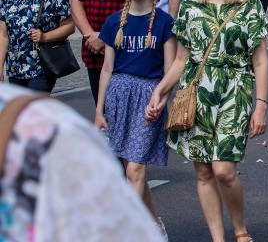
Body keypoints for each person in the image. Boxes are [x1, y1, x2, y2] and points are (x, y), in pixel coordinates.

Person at [146, 0, 268, 242]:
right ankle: (217, 238)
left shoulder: (248, 5)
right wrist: (161, 92)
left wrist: (262, 104)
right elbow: (181, 59)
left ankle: (240, 230)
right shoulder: (190, 5)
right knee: (203, 171)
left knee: (224, 169)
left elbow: (261, 61)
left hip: (235, 90)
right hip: (196, 91)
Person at [0, 84, 166, 241]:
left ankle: (152, 224)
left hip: (143, 96)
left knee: (134, 170)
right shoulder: (53, 124)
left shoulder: (45, 128)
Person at [94, 0, 176, 239]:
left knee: (136, 168)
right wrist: (99, 110)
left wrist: (162, 99)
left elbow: (170, 69)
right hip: (119, 95)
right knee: (131, 168)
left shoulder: (166, 22)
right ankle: (154, 226)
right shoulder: (114, 21)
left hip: (149, 96)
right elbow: (106, 69)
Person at [0, 0, 74, 92]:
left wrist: (45, 36)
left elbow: (69, 26)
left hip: (41, 68)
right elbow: (3, 36)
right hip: (15, 68)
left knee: (33, 111)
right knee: (18, 113)